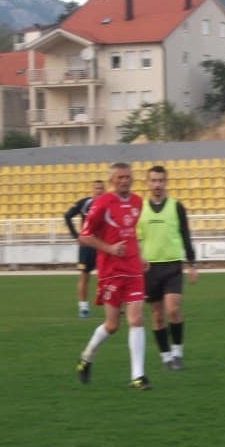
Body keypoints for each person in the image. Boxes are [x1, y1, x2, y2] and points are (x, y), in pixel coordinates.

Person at [75, 162, 151, 390]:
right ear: (111, 181)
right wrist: (109, 249)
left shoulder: (138, 202)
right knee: (112, 324)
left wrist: (140, 257)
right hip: (110, 272)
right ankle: (86, 357)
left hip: (132, 270)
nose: (124, 180)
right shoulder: (102, 204)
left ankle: (138, 376)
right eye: (120, 177)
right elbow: (85, 236)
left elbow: (131, 235)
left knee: (136, 319)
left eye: (128, 177)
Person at [137, 165, 198, 371]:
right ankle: (165, 356)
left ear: (166, 182)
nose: (157, 184)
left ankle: (177, 353)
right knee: (157, 315)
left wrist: (192, 264)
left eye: (161, 180)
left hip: (172, 265)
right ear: (147, 183)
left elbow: (185, 234)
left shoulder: (176, 206)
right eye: (153, 180)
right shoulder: (140, 209)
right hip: (149, 268)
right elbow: (135, 239)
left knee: (173, 309)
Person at [64, 179, 105, 317]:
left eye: (101, 188)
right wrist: (76, 236)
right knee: (84, 277)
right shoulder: (84, 203)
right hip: (87, 246)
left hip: (102, 245)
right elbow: (67, 216)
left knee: (108, 276)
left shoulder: (108, 203)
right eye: (97, 188)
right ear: (92, 190)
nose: (99, 191)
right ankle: (83, 308)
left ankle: (114, 304)